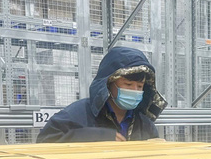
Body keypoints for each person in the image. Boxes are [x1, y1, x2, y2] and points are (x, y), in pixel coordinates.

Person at [37, 46, 167, 142]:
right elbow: (44, 141)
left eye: (140, 86)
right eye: (128, 84)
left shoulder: (145, 124)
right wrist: (93, 136)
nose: (135, 91)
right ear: (109, 83)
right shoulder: (77, 115)